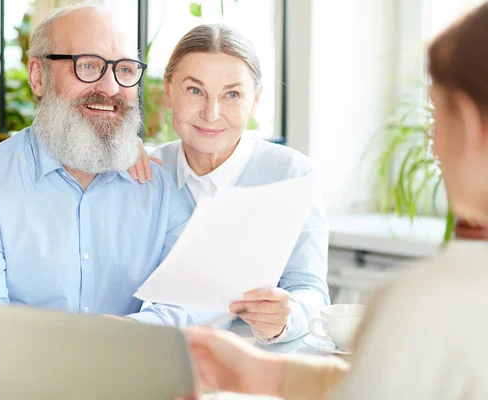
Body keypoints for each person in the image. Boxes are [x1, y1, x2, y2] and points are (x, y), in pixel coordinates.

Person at [184, 3, 488, 399]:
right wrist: (264, 374)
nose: (431, 141)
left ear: (465, 121)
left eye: (435, 112)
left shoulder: (430, 304)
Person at [0, 5, 215, 400]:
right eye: (89, 66)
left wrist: (143, 331)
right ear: (38, 76)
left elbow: (200, 299)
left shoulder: (159, 187)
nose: (111, 88)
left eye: (125, 70)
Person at [131, 24, 330, 343]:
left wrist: (285, 316)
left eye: (232, 94)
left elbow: (312, 291)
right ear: (168, 91)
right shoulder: (144, 171)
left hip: (254, 363)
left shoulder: (292, 174)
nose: (211, 113)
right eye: (195, 90)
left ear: (256, 99)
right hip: (155, 353)